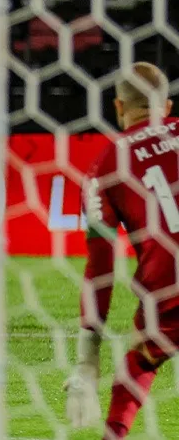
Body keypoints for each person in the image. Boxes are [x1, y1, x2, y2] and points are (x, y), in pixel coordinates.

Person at [65, 62, 179, 438]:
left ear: (118, 107)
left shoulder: (103, 168)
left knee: (139, 363)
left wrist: (87, 362)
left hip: (170, 291)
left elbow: (100, 269)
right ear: (168, 107)